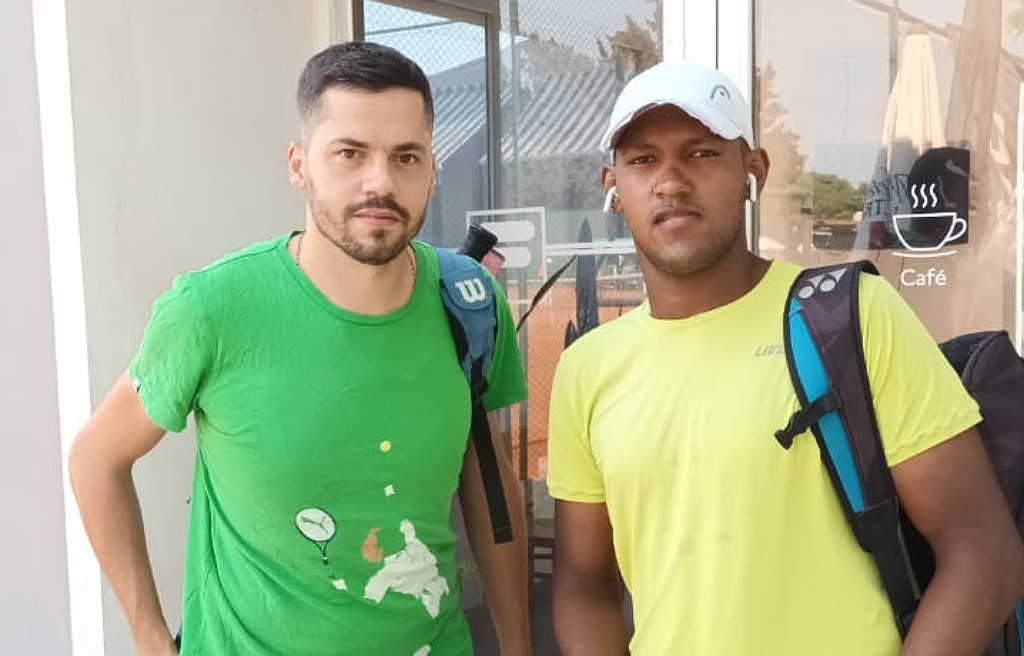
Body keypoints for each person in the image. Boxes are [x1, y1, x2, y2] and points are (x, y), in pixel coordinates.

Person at [546, 58, 1024, 656]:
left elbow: (982, 550)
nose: (669, 182)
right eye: (643, 160)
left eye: (701, 153)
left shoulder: (848, 317)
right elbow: (584, 584)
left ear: (754, 171)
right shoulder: (587, 369)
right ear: (611, 185)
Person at [69, 41, 531, 656]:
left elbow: (486, 477)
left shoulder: (468, 302)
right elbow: (95, 459)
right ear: (299, 165)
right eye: (349, 153)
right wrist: (150, 637)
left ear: (431, 170)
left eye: (406, 157)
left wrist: (518, 645)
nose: (380, 182)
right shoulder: (213, 309)